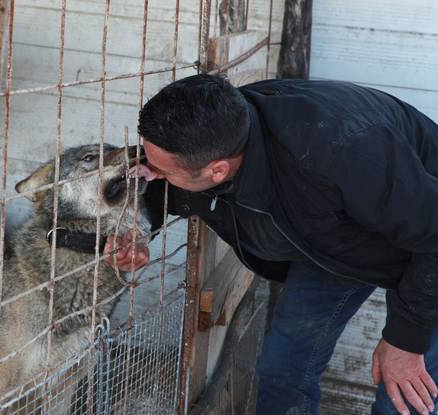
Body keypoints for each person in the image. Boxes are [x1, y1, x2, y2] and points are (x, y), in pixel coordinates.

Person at [104, 74, 438, 415]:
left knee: (406, 398)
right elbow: (172, 179)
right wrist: (137, 227)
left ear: (218, 171)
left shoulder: (343, 149)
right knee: (283, 371)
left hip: (430, 245)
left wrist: (405, 341)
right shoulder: (219, 130)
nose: (149, 173)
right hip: (337, 243)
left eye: (159, 170)